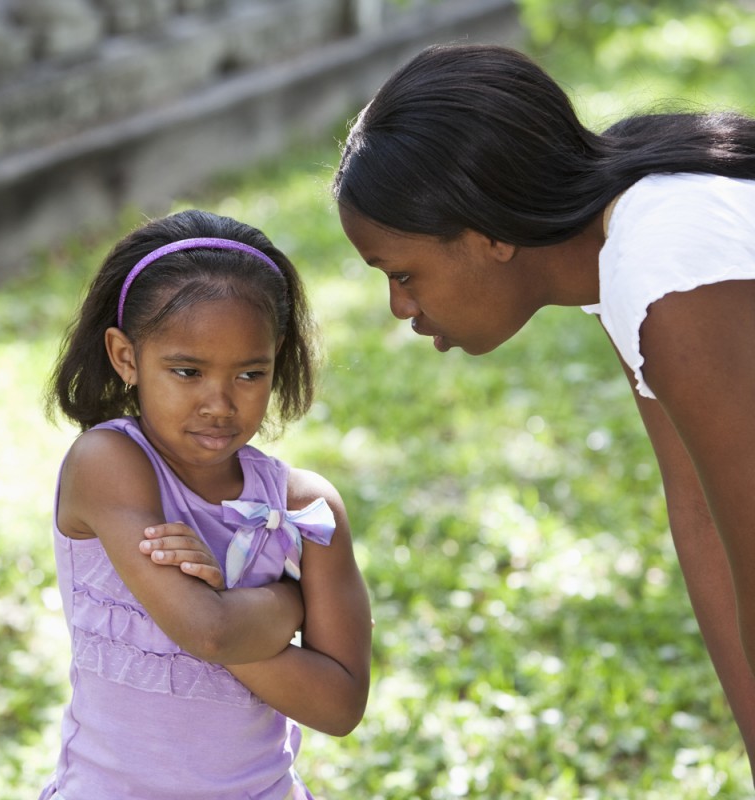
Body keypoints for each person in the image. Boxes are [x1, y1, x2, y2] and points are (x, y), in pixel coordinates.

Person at [333, 42, 755, 776]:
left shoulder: (667, 272)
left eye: (403, 274)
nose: (400, 307)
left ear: (490, 233)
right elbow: (699, 511)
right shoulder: (624, 239)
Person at [40, 209, 372, 800]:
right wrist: (289, 601)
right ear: (126, 357)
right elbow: (208, 632)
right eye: (187, 371)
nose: (219, 402)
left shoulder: (305, 508)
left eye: (250, 373)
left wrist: (224, 610)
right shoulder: (109, 465)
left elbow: (340, 705)